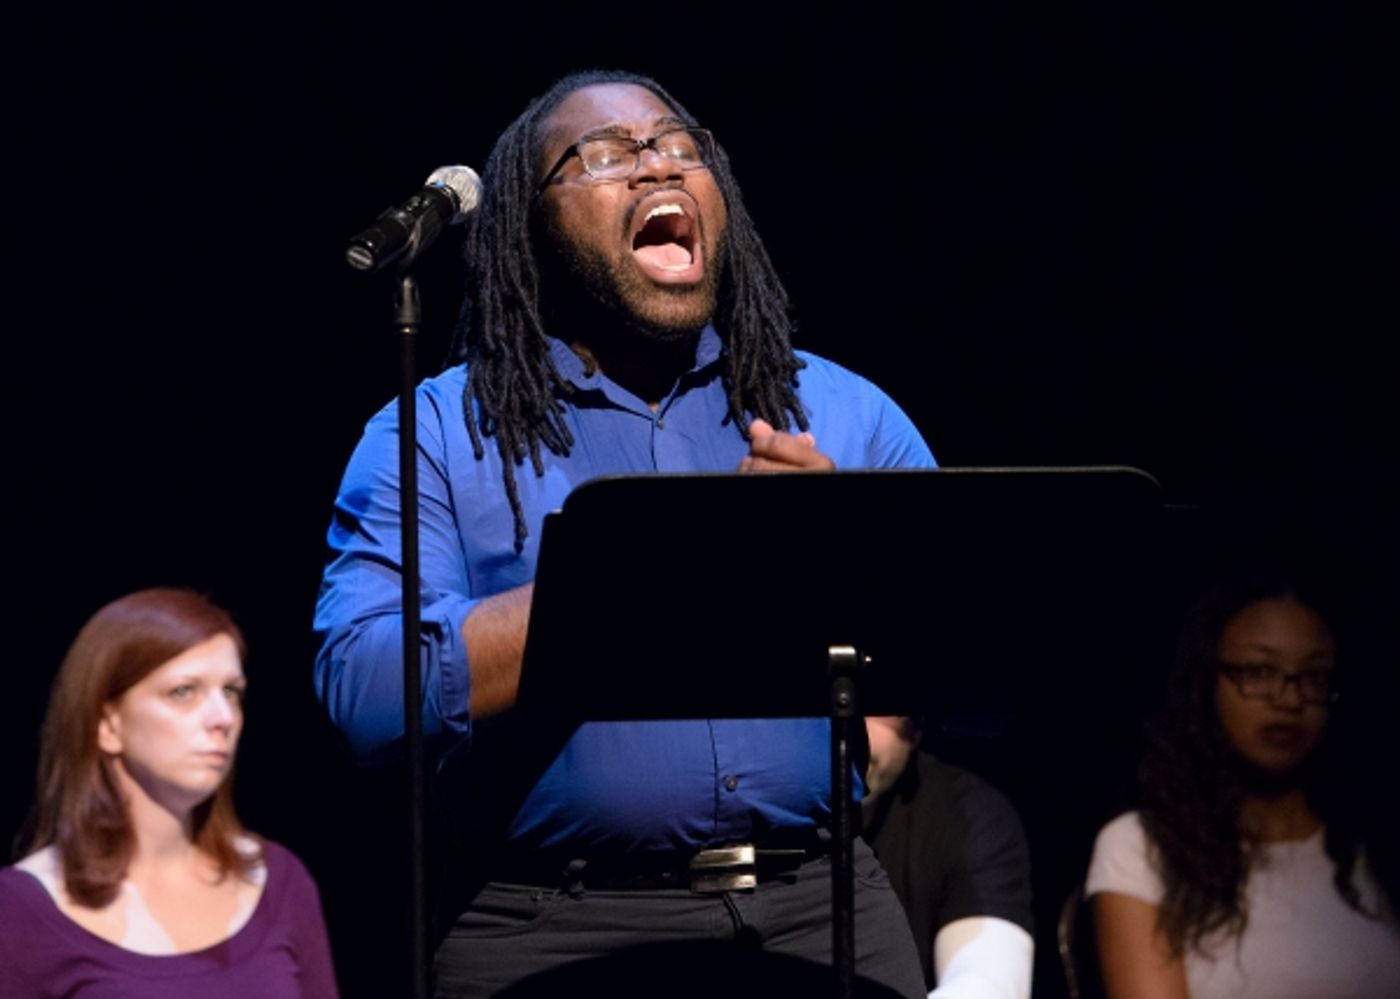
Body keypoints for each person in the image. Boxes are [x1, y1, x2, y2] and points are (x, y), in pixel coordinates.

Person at [314, 69, 936, 996]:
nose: (656, 170)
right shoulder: (438, 432)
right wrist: (632, 582)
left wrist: (836, 557)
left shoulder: (842, 411)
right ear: (533, 224)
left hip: (822, 905)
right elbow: (363, 690)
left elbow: (969, 645)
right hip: (550, 927)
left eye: (681, 147)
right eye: (604, 154)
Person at [0, 588, 339, 998]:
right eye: (183, 691)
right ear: (107, 724)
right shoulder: (21, 911)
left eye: (231, 692)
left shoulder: (279, 883)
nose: (223, 717)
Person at [1084, 570, 1400, 997]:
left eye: (1314, 678)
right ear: (1208, 684)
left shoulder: (1375, 845)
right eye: (1259, 672)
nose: (1289, 700)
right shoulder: (1143, 848)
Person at [862, 716, 1035, 998]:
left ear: (915, 731)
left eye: (874, 703)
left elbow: (988, 983)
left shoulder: (967, 813)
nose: (843, 724)